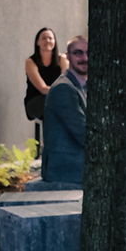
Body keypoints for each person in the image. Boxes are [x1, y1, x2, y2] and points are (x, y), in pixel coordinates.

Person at [41, 36, 88, 185]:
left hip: (78, 162)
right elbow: (83, 133)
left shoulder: (83, 85)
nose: (85, 58)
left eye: (89, 53)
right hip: (66, 168)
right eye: (78, 53)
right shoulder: (64, 88)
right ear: (67, 56)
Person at [25, 27, 67, 121]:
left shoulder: (62, 59)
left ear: (55, 41)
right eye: (44, 38)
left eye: (50, 38)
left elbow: (67, 83)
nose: (47, 40)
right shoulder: (31, 62)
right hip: (35, 102)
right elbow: (43, 89)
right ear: (37, 42)